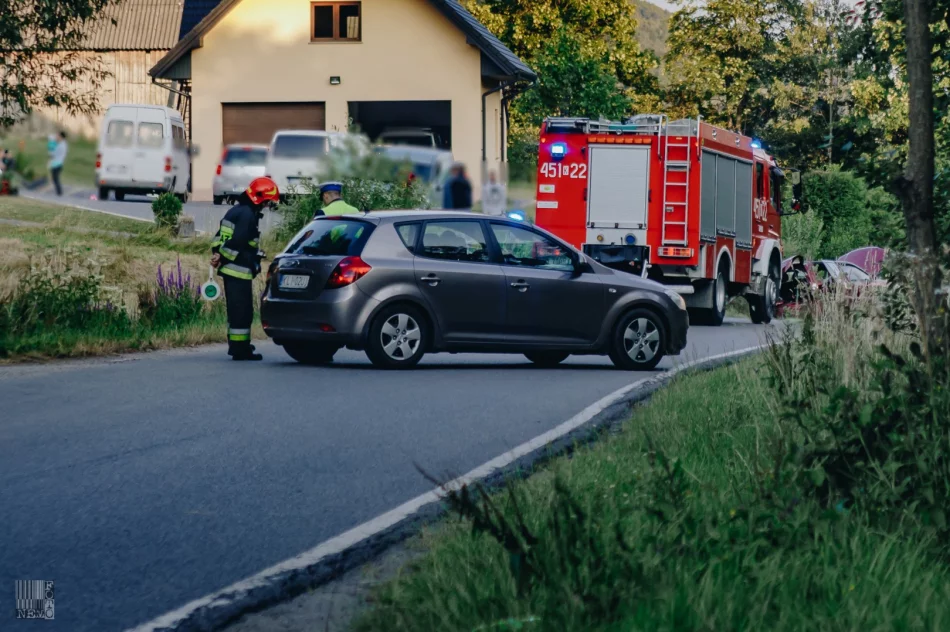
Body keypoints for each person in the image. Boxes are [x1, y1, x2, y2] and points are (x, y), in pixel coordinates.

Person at [210, 177, 279, 361]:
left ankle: (238, 346)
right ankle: (241, 350)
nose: (266, 206)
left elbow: (219, 239)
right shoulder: (247, 214)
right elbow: (238, 240)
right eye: (266, 202)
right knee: (242, 311)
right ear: (259, 198)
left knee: (236, 310)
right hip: (238, 270)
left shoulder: (235, 211)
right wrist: (223, 256)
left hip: (231, 269)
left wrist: (218, 253)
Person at [49, 131, 68, 196]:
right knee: (55, 179)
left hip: (57, 164)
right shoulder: (62, 144)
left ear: (61, 137)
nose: (57, 137)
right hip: (56, 163)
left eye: (58, 136)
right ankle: (59, 192)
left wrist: (52, 142)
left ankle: (59, 193)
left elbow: (53, 153)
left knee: (55, 179)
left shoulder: (61, 145)